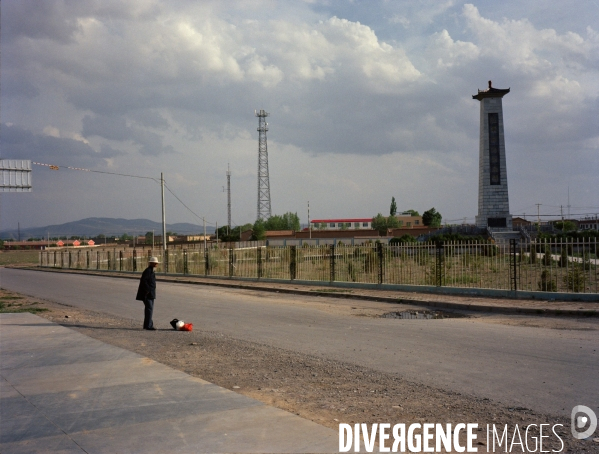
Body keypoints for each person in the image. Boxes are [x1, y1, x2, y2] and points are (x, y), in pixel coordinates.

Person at [136, 256, 159, 330]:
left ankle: (148, 324)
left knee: (149, 309)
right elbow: (144, 281)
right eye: (155, 263)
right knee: (149, 309)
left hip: (151, 293)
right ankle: (148, 325)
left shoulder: (151, 271)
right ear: (151, 263)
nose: (156, 264)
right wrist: (148, 290)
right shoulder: (148, 271)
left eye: (156, 263)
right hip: (147, 294)